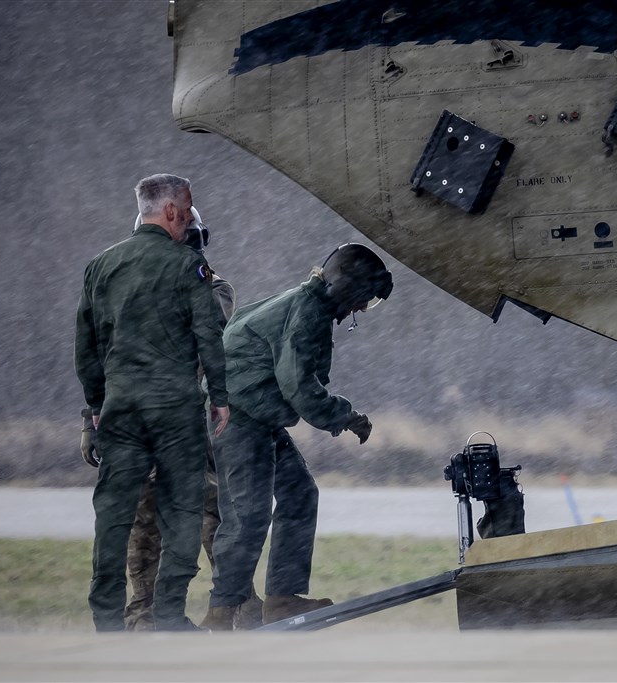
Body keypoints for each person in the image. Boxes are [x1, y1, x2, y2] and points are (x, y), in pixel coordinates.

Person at [201, 243, 393, 630]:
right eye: (362, 300)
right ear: (346, 288)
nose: (359, 310)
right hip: (239, 420)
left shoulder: (301, 302)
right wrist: (347, 416)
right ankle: (220, 615)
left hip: (258, 417)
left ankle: (282, 599)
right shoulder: (306, 314)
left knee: (299, 493)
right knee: (247, 516)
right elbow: (300, 388)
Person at [74, 173, 230, 632]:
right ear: (174, 218)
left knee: (127, 518)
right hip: (174, 415)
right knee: (197, 514)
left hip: (124, 413)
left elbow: (91, 347)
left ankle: (135, 619)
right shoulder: (196, 276)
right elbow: (208, 340)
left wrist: (95, 411)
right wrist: (220, 399)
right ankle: (164, 615)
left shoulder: (107, 268)